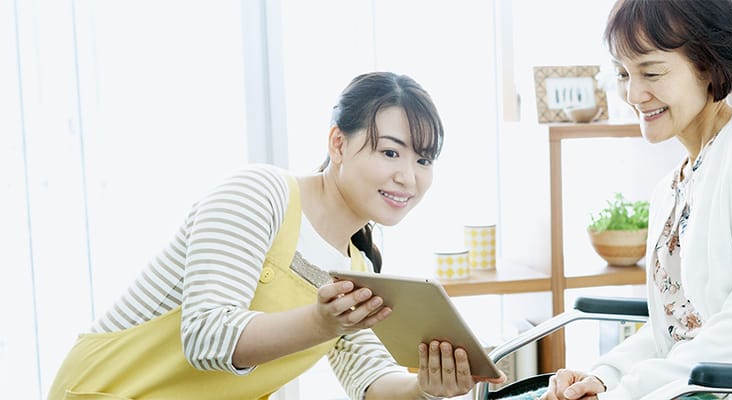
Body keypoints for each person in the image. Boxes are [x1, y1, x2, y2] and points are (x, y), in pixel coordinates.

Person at [48, 71, 504, 400]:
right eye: (390, 152)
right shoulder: (259, 193)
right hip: (104, 390)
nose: (409, 176)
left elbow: (370, 380)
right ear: (338, 144)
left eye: (424, 160)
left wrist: (426, 388)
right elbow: (207, 335)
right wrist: (322, 322)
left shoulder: (359, 268)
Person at [538, 1, 732, 399]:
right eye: (623, 73)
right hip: (711, 381)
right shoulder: (670, 188)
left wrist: (630, 391)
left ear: (707, 66)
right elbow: (674, 330)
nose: (634, 94)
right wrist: (604, 377)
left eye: (651, 72)